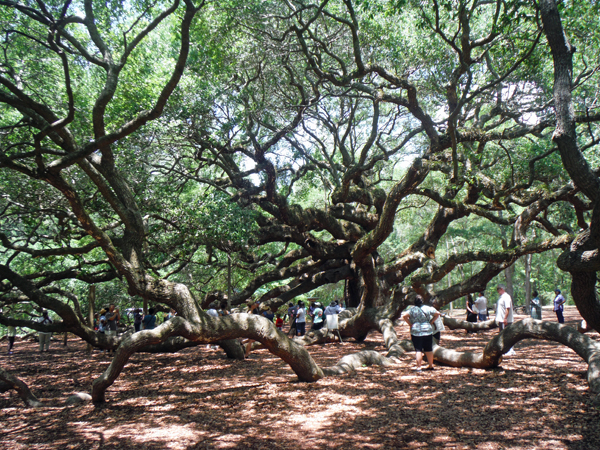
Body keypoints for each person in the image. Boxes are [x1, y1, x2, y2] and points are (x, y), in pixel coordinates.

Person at [402, 296, 439, 371]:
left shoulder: (412, 309)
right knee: (428, 349)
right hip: (427, 330)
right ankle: (431, 365)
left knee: (418, 349)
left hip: (416, 331)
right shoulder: (427, 308)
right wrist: (431, 321)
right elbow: (438, 313)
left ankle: (419, 367)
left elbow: (404, 316)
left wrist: (410, 323)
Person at [496, 285, 515, 355]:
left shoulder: (506, 297)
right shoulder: (501, 297)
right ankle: (505, 349)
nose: (497, 291)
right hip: (501, 319)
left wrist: (505, 318)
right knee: (502, 335)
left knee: (507, 335)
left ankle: (510, 350)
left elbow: (508, 308)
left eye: (498, 290)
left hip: (506, 320)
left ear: (501, 289)